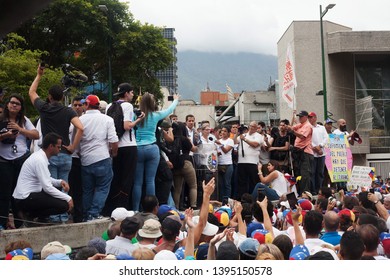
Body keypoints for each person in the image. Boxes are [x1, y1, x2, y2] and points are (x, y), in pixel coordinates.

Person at [29, 65, 84, 222]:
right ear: (61, 97)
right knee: (64, 185)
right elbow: (80, 127)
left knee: (51, 187)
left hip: (50, 153)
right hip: (66, 154)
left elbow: (31, 93)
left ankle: (54, 216)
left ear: (49, 97)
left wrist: (39, 75)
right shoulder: (68, 111)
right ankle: (63, 215)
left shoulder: (44, 108)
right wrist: (73, 146)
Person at [132, 93, 179, 211]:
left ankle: (136, 209)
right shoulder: (156, 115)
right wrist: (176, 100)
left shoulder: (135, 116)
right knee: (150, 180)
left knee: (138, 183)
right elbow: (170, 109)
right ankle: (151, 209)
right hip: (152, 148)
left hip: (138, 149)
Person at [12, 133, 74, 222]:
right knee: (64, 205)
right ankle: (31, 215)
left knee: (59, 191)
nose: (60, 150)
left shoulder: (41, 157)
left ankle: (36, 216)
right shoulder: (39, 160)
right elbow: (47, 187)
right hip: (25, 198)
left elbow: (46, 178)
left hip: (29, 195)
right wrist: (68, 198)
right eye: (58, 147)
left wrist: (59, 182)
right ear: (51, 146)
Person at [103, 83, 144, 215]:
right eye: (131, 93)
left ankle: (111, 208)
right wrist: (138, 120)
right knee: (127, 179)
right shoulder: (128, 106)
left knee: (115, 178)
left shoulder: (110, 105)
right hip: (128, 146)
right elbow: (127, 126)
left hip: (113, 146)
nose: (132, 95)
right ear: (126, 93)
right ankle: (123, 208)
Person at [0, 94, 39, 230]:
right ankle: (3, 223)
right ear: (7, 104)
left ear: (21, 107)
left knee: (19, 193)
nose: (13, 105)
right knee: (4, 194)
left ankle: (20, 222)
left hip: (20, 159)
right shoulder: (1, 119)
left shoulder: (23, 120)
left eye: (17, 103)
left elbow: (36, 135)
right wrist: (6, 135)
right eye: (11, 102)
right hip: (4, 160)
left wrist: (20, 129)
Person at [78, 95, 118, 221]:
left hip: (85, 159)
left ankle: (86, 215)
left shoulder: (80, 120)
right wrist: (114, 153)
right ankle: (94, 214)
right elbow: (114, 140)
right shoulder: (107, 119)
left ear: (87, 105)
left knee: (87, 190)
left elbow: (76, 139)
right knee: (102, 188)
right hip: (102, 157)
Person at [288, 110, 313, 194]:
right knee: (299, 174)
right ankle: (300, 191)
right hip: (298, 152)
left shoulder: (308, 126)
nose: (300, 118)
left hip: (305, 152)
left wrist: (293, 132)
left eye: (301, 116)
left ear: (306, 117)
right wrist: (293, 117)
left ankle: (305, 192)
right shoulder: (300, 125)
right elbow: (291, 127)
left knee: (305, 174)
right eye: (299, 116)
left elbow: (302, 136)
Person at [236, 121, 263, 199]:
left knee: (253, 182)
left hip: (253, 162)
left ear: (256, 128)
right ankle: (242, 199)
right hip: (241, 162)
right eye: (250, 126)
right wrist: (236, 134)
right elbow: (235, 141)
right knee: (241, 182)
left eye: (253, 126)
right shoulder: (243, 135)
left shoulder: (258, 136)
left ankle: (254, 198)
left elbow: (255, 144)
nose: (251, 128)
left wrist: (244, 139)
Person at [308, 112, 328, 195]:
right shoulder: (308, 128)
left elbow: (326, 138)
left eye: (311, 117)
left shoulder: (322, 128)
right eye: (309, 117)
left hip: (321, 153)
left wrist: (320, 146)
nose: (310, 119)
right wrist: (316, 148)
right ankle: (313, 190)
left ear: (315, 118)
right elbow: (308, 140)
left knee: (320, 172)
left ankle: (319, 188)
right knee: (312, 172)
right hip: (312, 152)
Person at [215, 126, 234, 201]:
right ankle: (221, 200)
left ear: (228, 133)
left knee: (227, 183)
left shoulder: (230, 141)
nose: (223, 132)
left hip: (228, 164)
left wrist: (220, 145)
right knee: (221, 184)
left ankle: (227, 200)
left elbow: (226, 150)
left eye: (225, 131)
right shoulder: (218, 140)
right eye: (222, 131)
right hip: (219, 163)